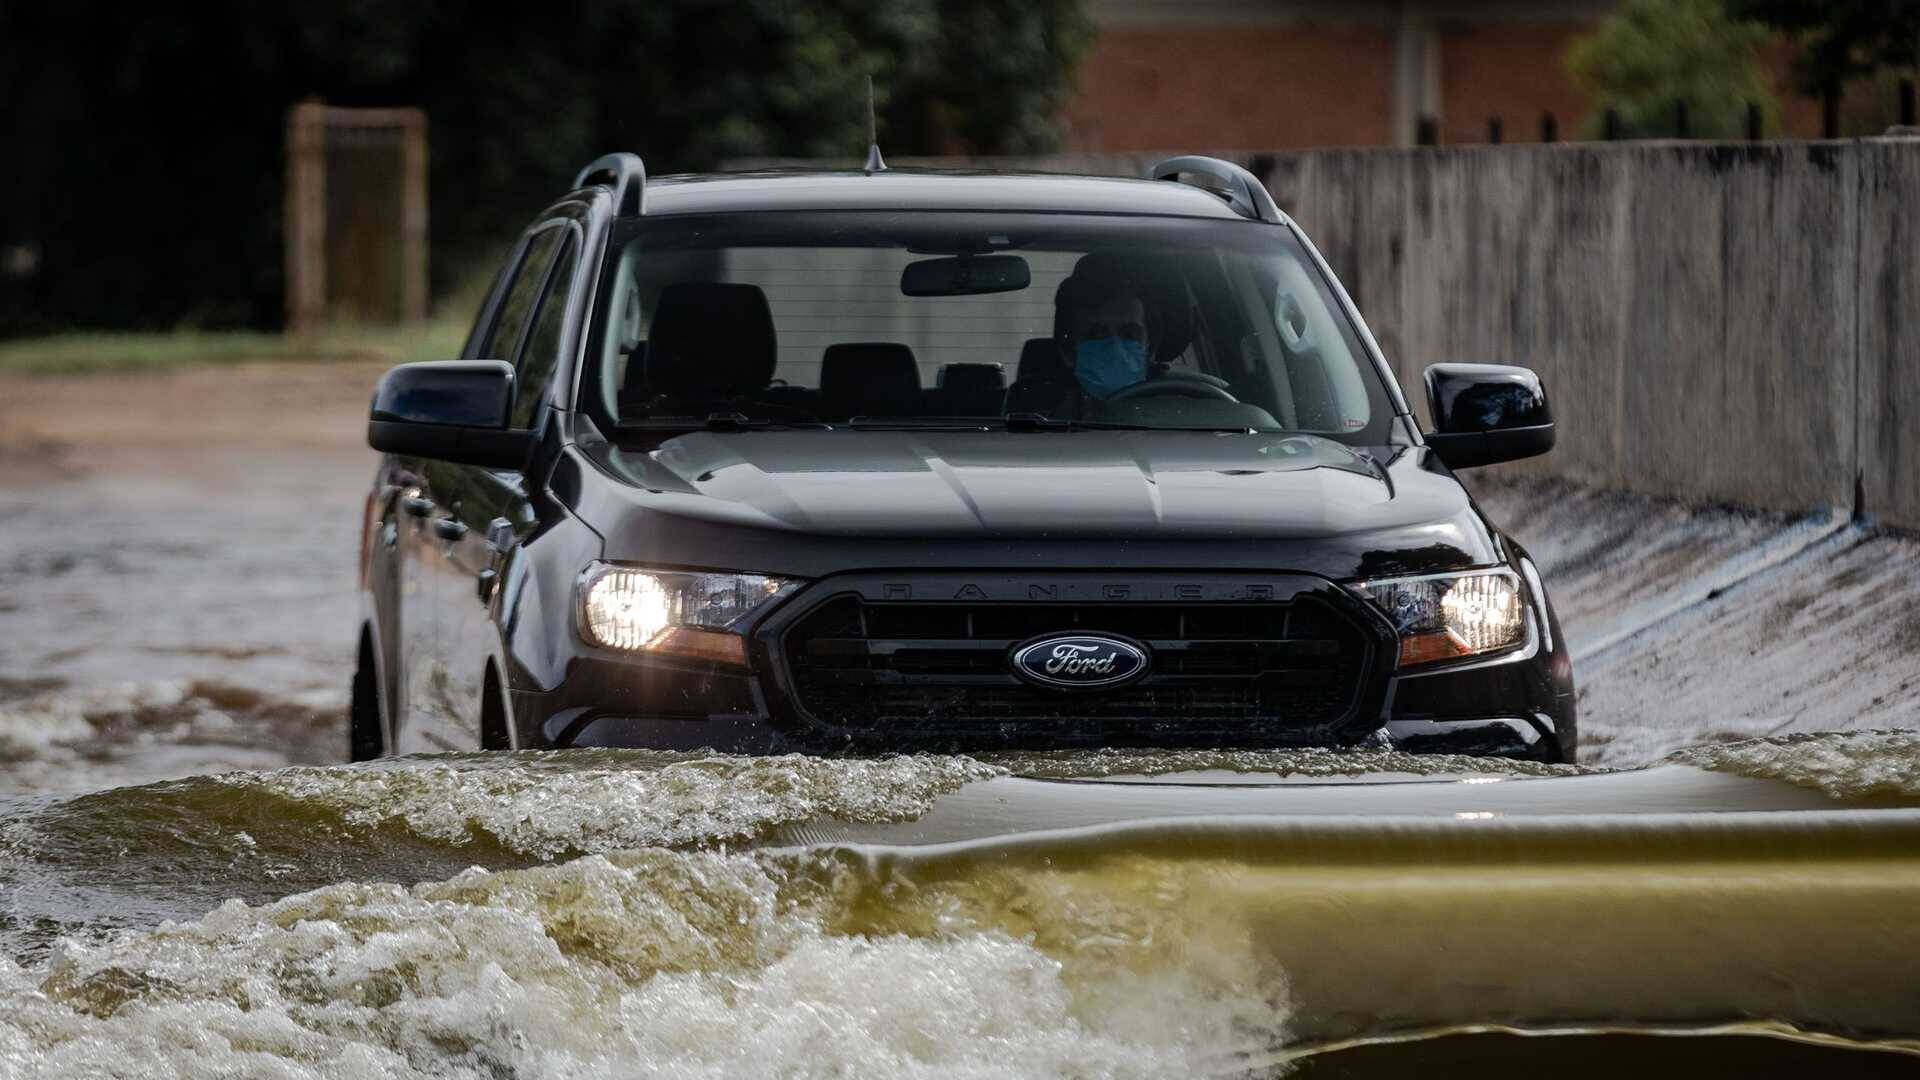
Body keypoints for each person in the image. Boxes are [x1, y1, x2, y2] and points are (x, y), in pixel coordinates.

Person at [1007, 263, 1162, 418]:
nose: (1115, 348)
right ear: (1067, 351)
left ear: (1150, 348)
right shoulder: (1039, 423)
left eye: (1129, 335)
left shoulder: (1179, 410)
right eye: (1097, 335)